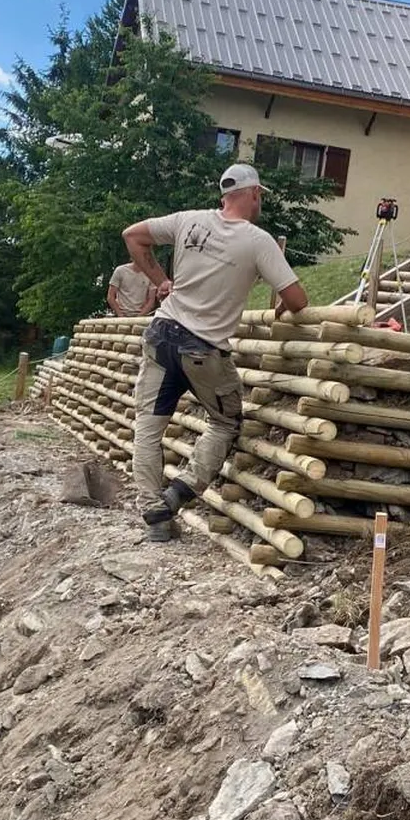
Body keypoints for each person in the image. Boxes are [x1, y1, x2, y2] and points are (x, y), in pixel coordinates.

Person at [121, 164, 309, 542]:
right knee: (225, 423)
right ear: (254, 193)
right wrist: (284, 309)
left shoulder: (187, 221)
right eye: (260, 196)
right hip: (203, 350)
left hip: (161, 334)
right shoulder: (257, 241)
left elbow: (133, 236)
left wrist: (162, 283)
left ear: (224, 194)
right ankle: (178, 494)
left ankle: (153, 513)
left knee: (149, 425)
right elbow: (298, 299)